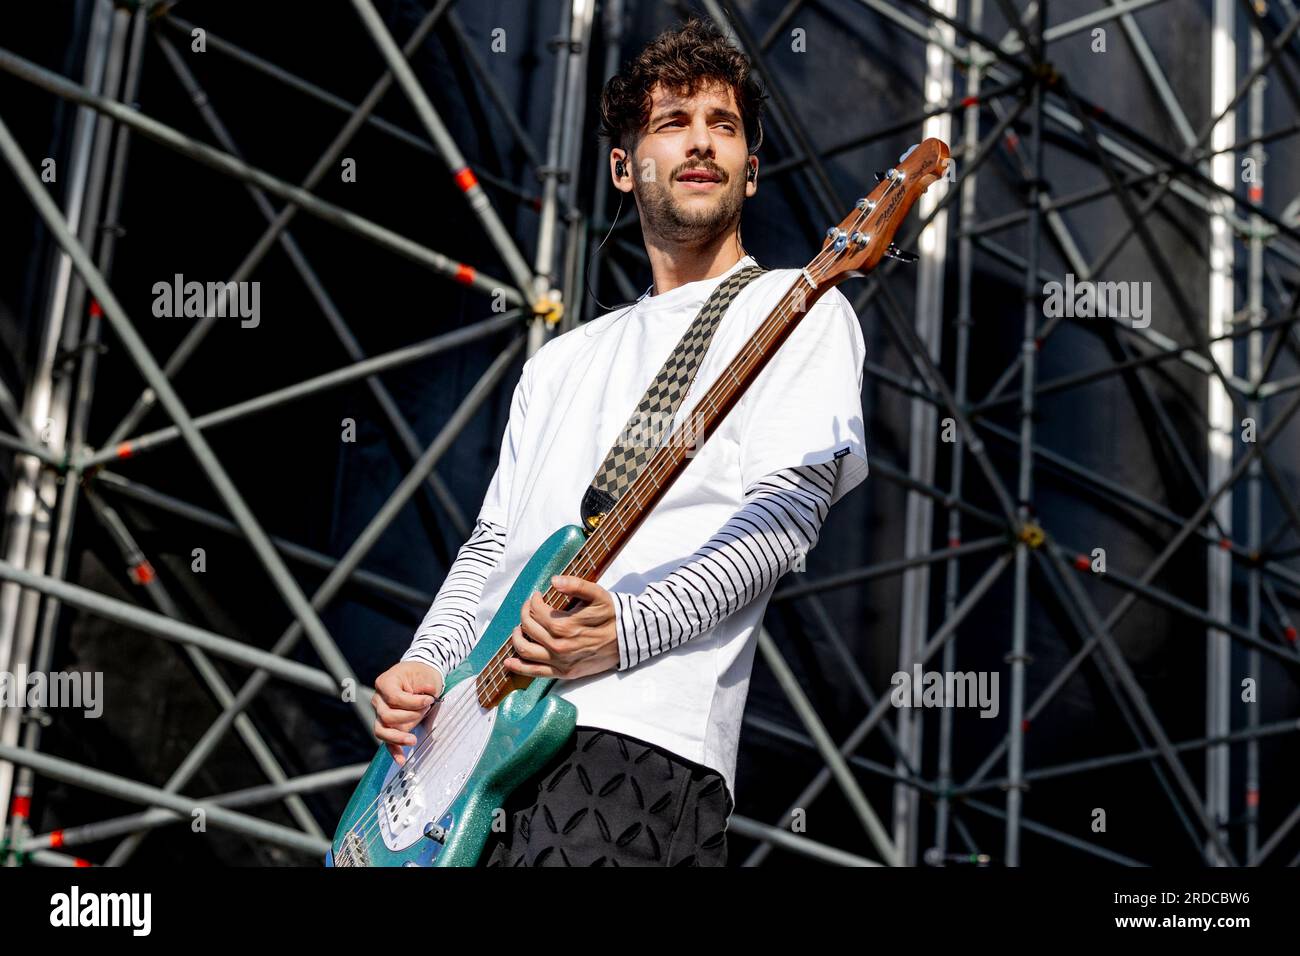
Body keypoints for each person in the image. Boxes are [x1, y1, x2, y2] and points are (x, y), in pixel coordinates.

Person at [370, 18, 868, 866]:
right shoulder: (563, 360)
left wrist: (626, 630)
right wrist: (427, 662)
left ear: (751, 172)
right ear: (622, 166)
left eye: (725, 125)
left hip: (632, 741)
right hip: (457, 752)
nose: (702, 142)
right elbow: (493, 545)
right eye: (673, 123)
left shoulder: (795, 307)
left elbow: (787, 514)